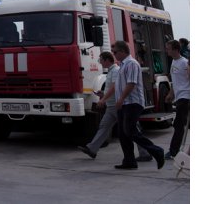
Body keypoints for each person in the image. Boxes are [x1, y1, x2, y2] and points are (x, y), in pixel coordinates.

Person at [78, 51, 151, 160]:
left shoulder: (116, 70)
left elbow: (115, 87)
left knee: (132, 129)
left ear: (107, 60)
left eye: (101, 60)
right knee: (104, 126)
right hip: (112, 106)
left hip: (118, 106)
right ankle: (92, 149)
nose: (100, 62)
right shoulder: (111, 71)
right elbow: (112, 88)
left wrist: (103, 99)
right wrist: (103, 94)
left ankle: (145, 153)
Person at [112, 40, 165, 170]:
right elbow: (120, 85)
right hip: (124, 103)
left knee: (130, 130)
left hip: (132, 103)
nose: (114, 55)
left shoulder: (132, 64)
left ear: (123, 51)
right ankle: (129, 161)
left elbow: (131, 84)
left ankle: (156, 151)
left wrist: (121, 99)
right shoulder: (122, 65)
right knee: (123, 133)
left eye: (115, 52)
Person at [164, 39, 190, 160]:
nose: (166, 50)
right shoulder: (173, 62)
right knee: (181, 125)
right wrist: (170, 94)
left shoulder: (185, 63)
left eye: (168, 48)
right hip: (179, 97)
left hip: (186, 97)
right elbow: (175, 82)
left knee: (178, 124)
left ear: (175, 49)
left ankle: (174, 151)